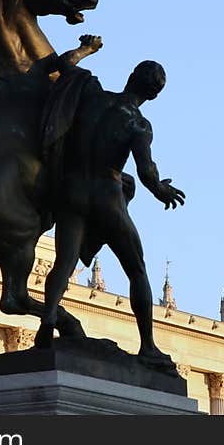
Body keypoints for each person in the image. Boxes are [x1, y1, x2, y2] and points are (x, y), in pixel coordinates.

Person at [35, 53, 185, 368]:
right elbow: (146, 174)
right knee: (136, 270)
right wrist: (162, 190)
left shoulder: (93, 95)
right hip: (106, 195)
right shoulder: (138, 124)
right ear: (154, 95)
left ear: (130, 75)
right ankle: (147, 346)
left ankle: (47, 320)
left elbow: (61, 66)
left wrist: (83, 50)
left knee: (63, 264)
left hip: (72, 190)